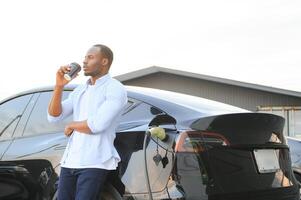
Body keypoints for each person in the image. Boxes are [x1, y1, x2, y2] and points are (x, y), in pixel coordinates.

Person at [47, 44, 128, 200]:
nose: (84, 62)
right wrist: (58, 86)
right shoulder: (80, 90)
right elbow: (54, 116)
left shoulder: (115, 88)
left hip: (95, 162)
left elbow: (97, 124)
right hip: (69, 162)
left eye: (90, 57)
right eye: (84, 58)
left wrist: (71, 125)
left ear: (104, 61)